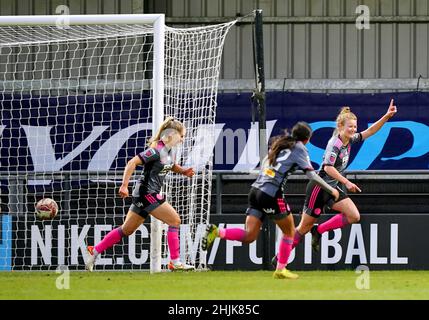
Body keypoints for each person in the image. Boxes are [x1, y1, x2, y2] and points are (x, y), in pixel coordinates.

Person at [201, 122, 340, 279]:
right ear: (307, 138)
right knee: (290, 232)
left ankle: (217, 232)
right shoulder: (299, 147)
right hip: (271, 194)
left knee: (249, 236)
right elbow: (312, 175)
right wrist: (331, 189)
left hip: (255, 191)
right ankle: (281, 269)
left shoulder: (279, 146)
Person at [85, 117, 195, 272]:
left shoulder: (166, 152)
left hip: (143, 195)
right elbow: (132, 162)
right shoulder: (155, 150)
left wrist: (183, 171)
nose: (183, 139)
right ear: (171, 134)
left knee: (126, 230)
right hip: (147, 193)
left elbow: (170, 165)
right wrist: (124, 186)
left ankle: (94, 250)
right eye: (181, 135)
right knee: (175, 221)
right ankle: (175, 262)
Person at [290, 99, 398, 254]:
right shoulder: (335, 143)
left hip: (332, 187)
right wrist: (346, 182)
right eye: (350, 126)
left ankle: (319, 231)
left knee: (354, 215)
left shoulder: (349, 140)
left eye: (355, 126)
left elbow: (370, 131)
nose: (353, 129)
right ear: (340, 126)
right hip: (319, 187)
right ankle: (280, 258)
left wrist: (387, 116)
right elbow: (327, 168)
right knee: (303, 228)